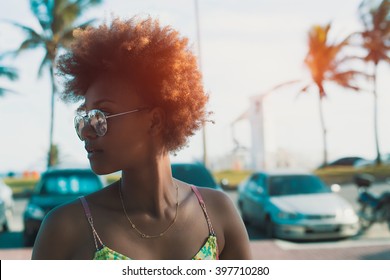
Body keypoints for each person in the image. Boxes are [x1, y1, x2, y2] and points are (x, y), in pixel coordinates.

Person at [32, 17, 252, 260]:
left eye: (101, 115)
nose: (86, 130)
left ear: (155, 120)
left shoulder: (217, 214)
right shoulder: (66, 228)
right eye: (83, 118)